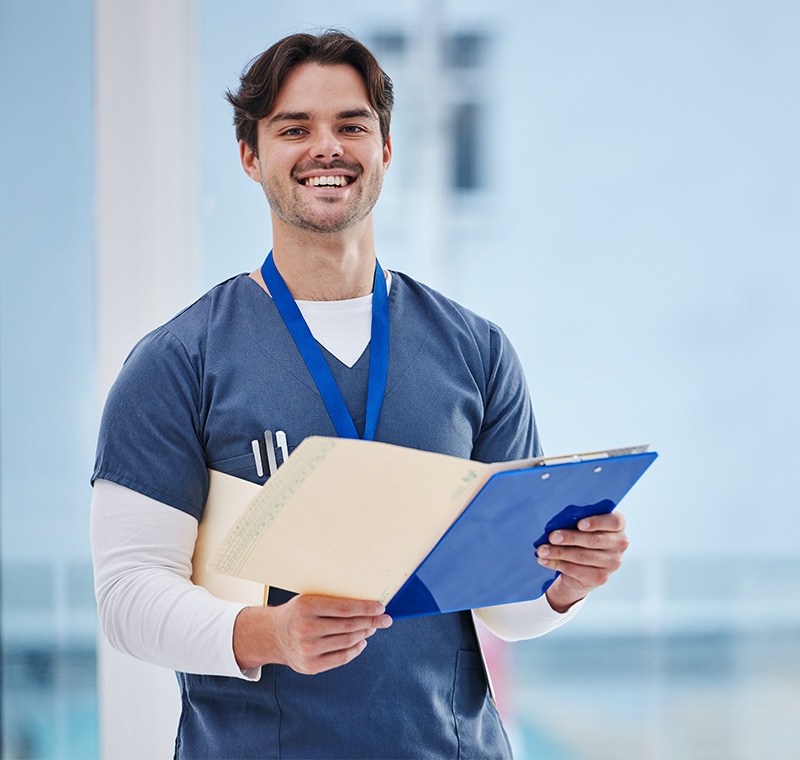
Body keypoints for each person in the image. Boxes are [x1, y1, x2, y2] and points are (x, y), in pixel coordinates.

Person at [91, 30, 629, 759]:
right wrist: (269, 635)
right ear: (250, 157)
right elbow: (127, 597)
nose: (328, 148)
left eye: (352, 125)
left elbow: (506, 606)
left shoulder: (475, 350)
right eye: (294, 129)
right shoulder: (178, 361)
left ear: (385, 150)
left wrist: (567, 581)